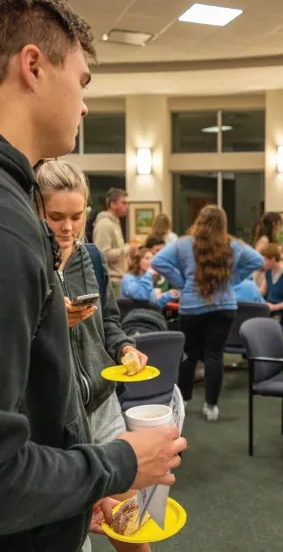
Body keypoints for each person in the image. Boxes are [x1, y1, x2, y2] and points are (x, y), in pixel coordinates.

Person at [0, 0, 186, 552]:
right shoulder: (8, 227)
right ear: (33, 65)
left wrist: (83, 482)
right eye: (80, 82)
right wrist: (115, 463)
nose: (84, 105)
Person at [35, 159, 151, 552]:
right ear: (36, 209)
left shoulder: (93, 259)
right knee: (73, 533)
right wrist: (54, 321)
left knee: (130, 525)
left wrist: (125, 348)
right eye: (55, 216)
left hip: (103, 406)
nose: (67, 228)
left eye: (76, 216)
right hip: (55, 418)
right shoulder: (25, 263)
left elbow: (111, 323)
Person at [152, 205, 264, 421]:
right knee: (215, 356)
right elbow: (258, 260)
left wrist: (182, 283)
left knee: (189, 354)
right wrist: (233, 280)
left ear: (199, 221)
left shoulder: (184, 243)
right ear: (223, 223)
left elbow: (158, 261)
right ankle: (211, 406)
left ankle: (183, 400)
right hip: (224, 307)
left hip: (192, 307)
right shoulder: (233, 244)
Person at [93, 187, 137, 297]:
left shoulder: (115, 223)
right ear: (112, 204)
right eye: (123, 203)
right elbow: (102, 254)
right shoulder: (104, 225)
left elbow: (115, 250)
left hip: (120, 279)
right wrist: (128, 248)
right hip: (112, 281)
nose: (127, 206)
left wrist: (129, 249)